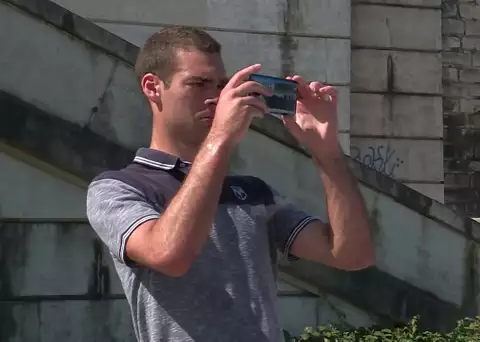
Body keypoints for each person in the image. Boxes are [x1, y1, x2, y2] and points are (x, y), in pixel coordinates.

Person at [86, 25, 374, 342]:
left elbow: (352, 255)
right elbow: (170, 255)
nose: (214, 98)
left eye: (221, 86)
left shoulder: (254, 192)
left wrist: (327, 151)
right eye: (198, 83)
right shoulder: (118, 188)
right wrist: (221, 138)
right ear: (153, 87)